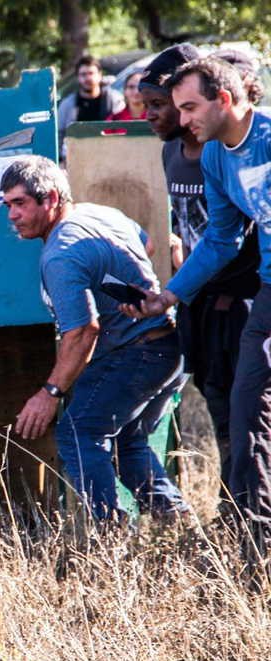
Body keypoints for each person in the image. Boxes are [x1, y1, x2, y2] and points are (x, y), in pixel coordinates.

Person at [127, 58, 271, 554]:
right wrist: (170, 294)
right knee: (245, 406)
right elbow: (220, 241)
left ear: (224, 100)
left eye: (189, 107)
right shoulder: (214, 156)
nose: (182, 118)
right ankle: (253, 544)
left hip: (255, 297)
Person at [1, 155, 187, 522]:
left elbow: (83, 331)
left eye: (20, 203)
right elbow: (147, 246)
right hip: (168, 348)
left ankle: (109, 535)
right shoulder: (98, 214)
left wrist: (49, 394)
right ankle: (174, 523)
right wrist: (110, 286)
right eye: (7, 205)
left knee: (78, 431)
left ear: (51, 198)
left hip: (137, 355)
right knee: (128, 444)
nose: (12, 215)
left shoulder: (61, 254)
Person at [57, 55, 125, 144]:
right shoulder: (67, 104)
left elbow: (123, 129)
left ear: (100, 75)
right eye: (83, 74)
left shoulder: (114, 100)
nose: (88, 78)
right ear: (78, 77)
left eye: (91, 73)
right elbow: (59, 134)